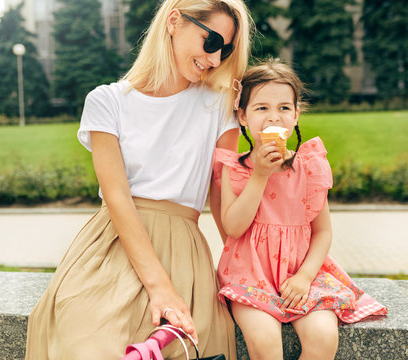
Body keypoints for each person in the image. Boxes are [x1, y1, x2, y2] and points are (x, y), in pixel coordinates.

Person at [25, 0, 253, 359]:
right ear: (175, 21)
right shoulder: (107, 102)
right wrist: (158, 285)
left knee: (188, 347)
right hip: (110, 248)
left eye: (225, 51)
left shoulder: (220, 107)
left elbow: (226, 205)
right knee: (82, 344)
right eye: (211, 43)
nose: (214, 59)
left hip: (184, 254)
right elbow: (116, 198)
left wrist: (254, 274)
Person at [213, 60, 388, 360]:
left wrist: (304, 277)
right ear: (242, 116)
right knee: (265, 342)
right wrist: (260, 176)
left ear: (296, 115)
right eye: (261, 108)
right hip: (249, 277)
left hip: (302, 274)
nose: (273, 118)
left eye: (283, 108)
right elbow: (233, 228)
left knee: (323, 337)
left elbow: (323, 232)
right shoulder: (236, 169)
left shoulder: (309, 166)